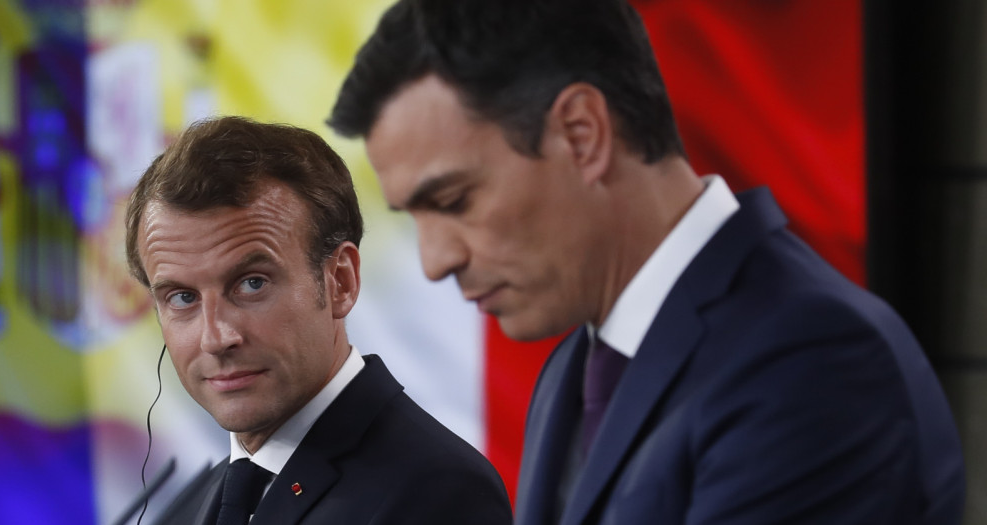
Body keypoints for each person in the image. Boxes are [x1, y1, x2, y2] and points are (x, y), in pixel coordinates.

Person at [328, 1, 966, 524]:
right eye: (414, 217)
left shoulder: (816, 361)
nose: (436, 261)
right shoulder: (575, 367)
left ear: (583, 133)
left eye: (454, 200)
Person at [123, 116, 512, 525]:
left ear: (340, 281)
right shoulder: (193, 505)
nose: (216, 338)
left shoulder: (438, 493)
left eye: (252, 284)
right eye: (182, 297)